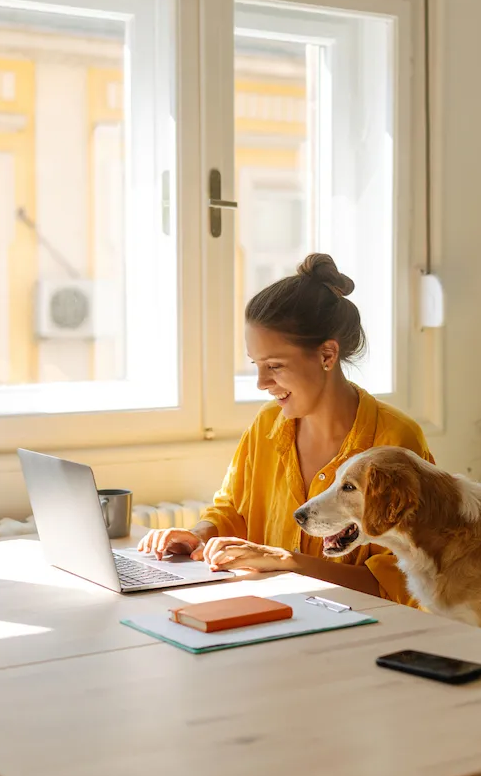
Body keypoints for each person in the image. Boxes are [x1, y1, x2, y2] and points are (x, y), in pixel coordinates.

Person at [138, 253, 432, 604]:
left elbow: (399, 585)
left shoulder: (396, 441)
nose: (262, 382)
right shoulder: (266, 425)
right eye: (256, 365)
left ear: (327, 355)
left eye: (274, 365)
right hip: (271, 617)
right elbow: (233, 510)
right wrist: (197, 535)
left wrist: (290, 563)